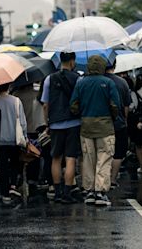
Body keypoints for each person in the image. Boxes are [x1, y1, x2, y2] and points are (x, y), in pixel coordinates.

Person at [70, 56, 120, 206]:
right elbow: (115, 105)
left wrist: (82, 112)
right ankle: (101, 192)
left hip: (86, 127)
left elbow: (73, 105)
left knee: (88, 159)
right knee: (104, 159)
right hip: (105, 126)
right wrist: (113, 117)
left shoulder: (81, 83)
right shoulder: (109, 82)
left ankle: (90, 191)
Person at [41, 51, 81, 203]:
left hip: (56, 124)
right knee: (71, 158)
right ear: (72, 61)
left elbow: (45, 104)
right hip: (74, 123)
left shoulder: (49, 79)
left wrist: (47, 124)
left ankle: (57, 192)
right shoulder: (78, 78)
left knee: (56, 158)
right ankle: (67, 193)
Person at [0, 83, 28, 204]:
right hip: (14, 139)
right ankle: (13, 185)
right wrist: (25, 136)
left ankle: (5, 193)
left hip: (0, 140)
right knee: (15, 163)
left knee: (2, 167)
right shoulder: (16, 101)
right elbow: (22, 121)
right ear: (8, 87)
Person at [104, 60, 131, 188]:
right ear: (115, 66)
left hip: (102, 123)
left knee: (103, 152)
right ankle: (113, 180)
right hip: (119, 123)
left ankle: (102, 179)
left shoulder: (98, 80)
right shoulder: (122, 82)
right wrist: (124, 119)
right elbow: (126, 105)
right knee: (118, 152)